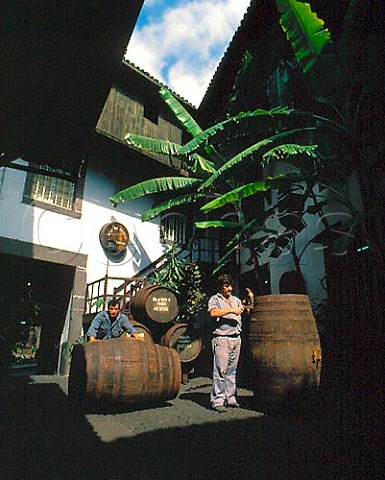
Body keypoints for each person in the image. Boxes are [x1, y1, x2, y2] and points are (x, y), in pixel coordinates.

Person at [208, 274, 245, 412]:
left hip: (236, 338)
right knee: (220, 370)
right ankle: (218, 401)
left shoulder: (236, 300)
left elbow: (242, 310)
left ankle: (231, 398)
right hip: (222, 339)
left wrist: (243, 308)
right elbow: (213, 313)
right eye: (226, 286)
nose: (230, 288)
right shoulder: (215, 299)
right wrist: (231, 310)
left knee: (232, 370)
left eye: (230, 286)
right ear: (221, 287)